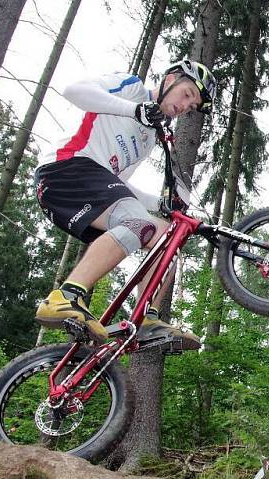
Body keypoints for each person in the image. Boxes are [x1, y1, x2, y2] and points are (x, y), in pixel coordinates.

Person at [33, 59, 216, 350]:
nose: (185, 106)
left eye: (192, 106)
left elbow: (117, 186)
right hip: (65, 169)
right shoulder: (132, 89)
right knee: (139, 221)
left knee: (164, 237)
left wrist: (162, 203)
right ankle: (65, 296)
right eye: (186, 94)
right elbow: (74, 90)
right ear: (170, 79)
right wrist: (135, 109)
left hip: (89, 188)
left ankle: (147, 320)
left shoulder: (148, 140)